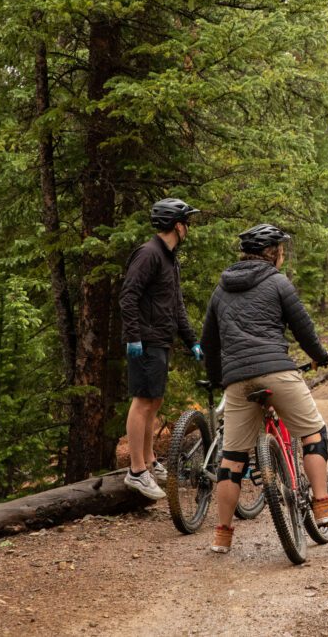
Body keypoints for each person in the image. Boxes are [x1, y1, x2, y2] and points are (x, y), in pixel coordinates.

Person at [200, 223, 328, 554]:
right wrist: (320, 356)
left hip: (237, 380)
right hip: (277, 371)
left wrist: (217, 378)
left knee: (232, 459)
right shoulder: (278, 282)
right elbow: (303, 329)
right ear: (274, 253)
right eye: (281, 250)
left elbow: (209, 344)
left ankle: (222, 534)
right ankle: (323, 503)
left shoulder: (220, 290)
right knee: (313, 433)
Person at [119, 198, 204, 500]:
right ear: (177, 225)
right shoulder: (149, 254)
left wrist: (191, 339)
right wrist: (133, 337)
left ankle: (150, 460)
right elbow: (128, 296)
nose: (189, 228)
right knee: (142, 402)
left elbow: (176, 305)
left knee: (154, 402)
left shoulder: (170, 258)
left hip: (161, 340)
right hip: (145, 341)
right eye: (187, 223)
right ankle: (137, 470)